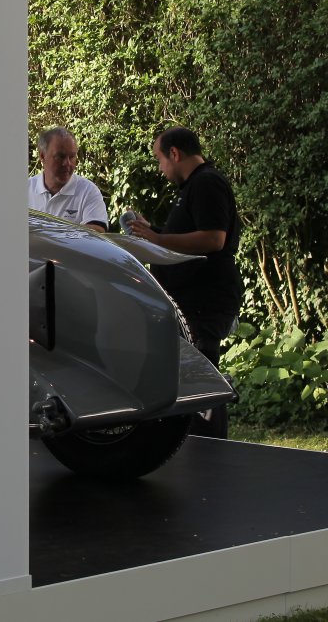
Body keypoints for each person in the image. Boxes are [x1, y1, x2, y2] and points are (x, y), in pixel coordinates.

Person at [126, 125, 241, 438]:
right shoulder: (193, 187)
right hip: (189, 299)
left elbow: (213, 238)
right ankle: (191, 439)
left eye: (159, 159)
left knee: (200, 372)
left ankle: (210, 444)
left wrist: (158, 239)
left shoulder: (207, 183)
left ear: (174, 153)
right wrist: (154, 231)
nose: (160, 168)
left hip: (205, 298)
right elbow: (186, 236)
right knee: (188, 373)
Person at [27, 127, 107, 231]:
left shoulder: (88, 191)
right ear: (42, 156)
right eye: (60, 156)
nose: (67, 163)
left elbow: (97, 231)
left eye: (72, 156)